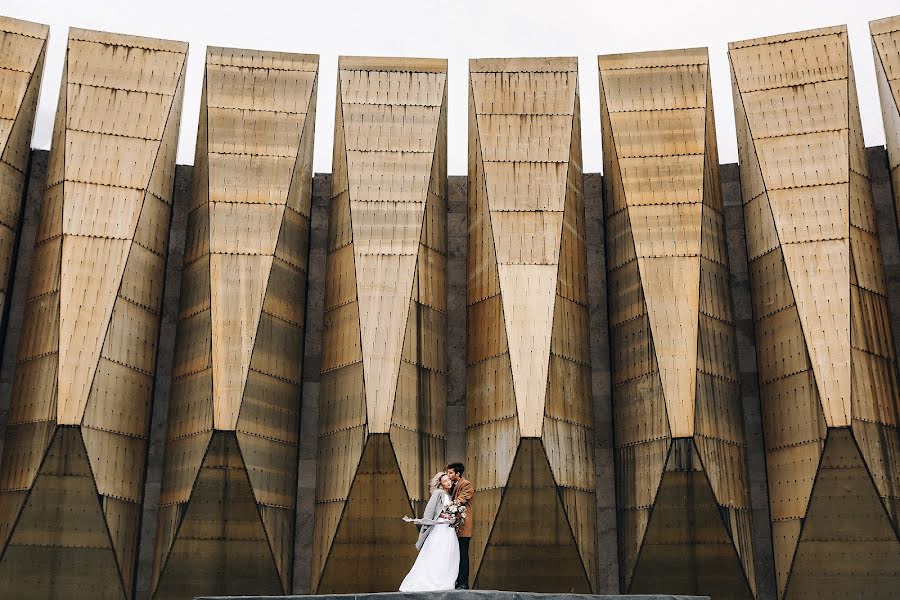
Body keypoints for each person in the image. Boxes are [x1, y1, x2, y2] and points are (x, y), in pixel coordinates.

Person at [398, 472, 460, 592]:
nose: (448, 482)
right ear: (440, 484)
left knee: (449, 552)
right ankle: (431, 580)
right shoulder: (439, 493)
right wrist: (443, 516)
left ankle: (444, 580)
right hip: (440, 527)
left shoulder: (449, 495)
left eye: (449, 480)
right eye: (445, 481)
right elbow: (431, 510)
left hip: (448, 527)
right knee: (437, 551)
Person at [447, 462, 473, 589]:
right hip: (453, 527)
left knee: (462, 555)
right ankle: (456, 581)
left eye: (450, 473)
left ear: (458, 473)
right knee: (454, 555)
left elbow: (462, 498)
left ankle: (463, 583)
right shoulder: (452, 486)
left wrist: (449, 505)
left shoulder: (466, 484)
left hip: (463, 527)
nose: (448, 475)